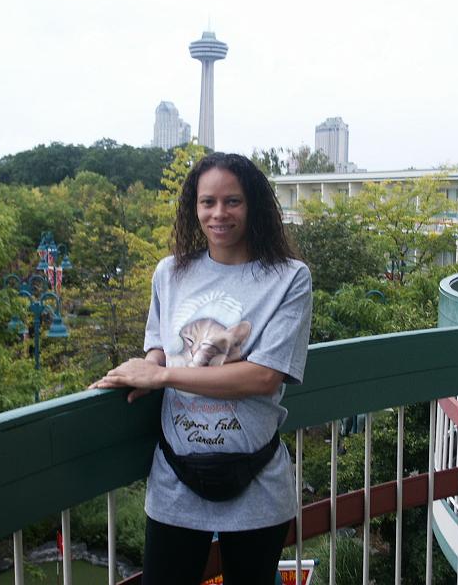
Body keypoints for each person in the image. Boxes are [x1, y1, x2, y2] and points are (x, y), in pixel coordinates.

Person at [90, 152, 312, 585]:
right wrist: (144, 368)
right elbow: (159, 347)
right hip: (175, 478)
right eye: (207, 202)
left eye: (233, 201)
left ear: (254, 207)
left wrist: (164, 376)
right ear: (194, 207)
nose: (219, 213)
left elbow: (263, 376)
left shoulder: (288, 277)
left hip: (258, 482)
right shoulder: (170, 273)